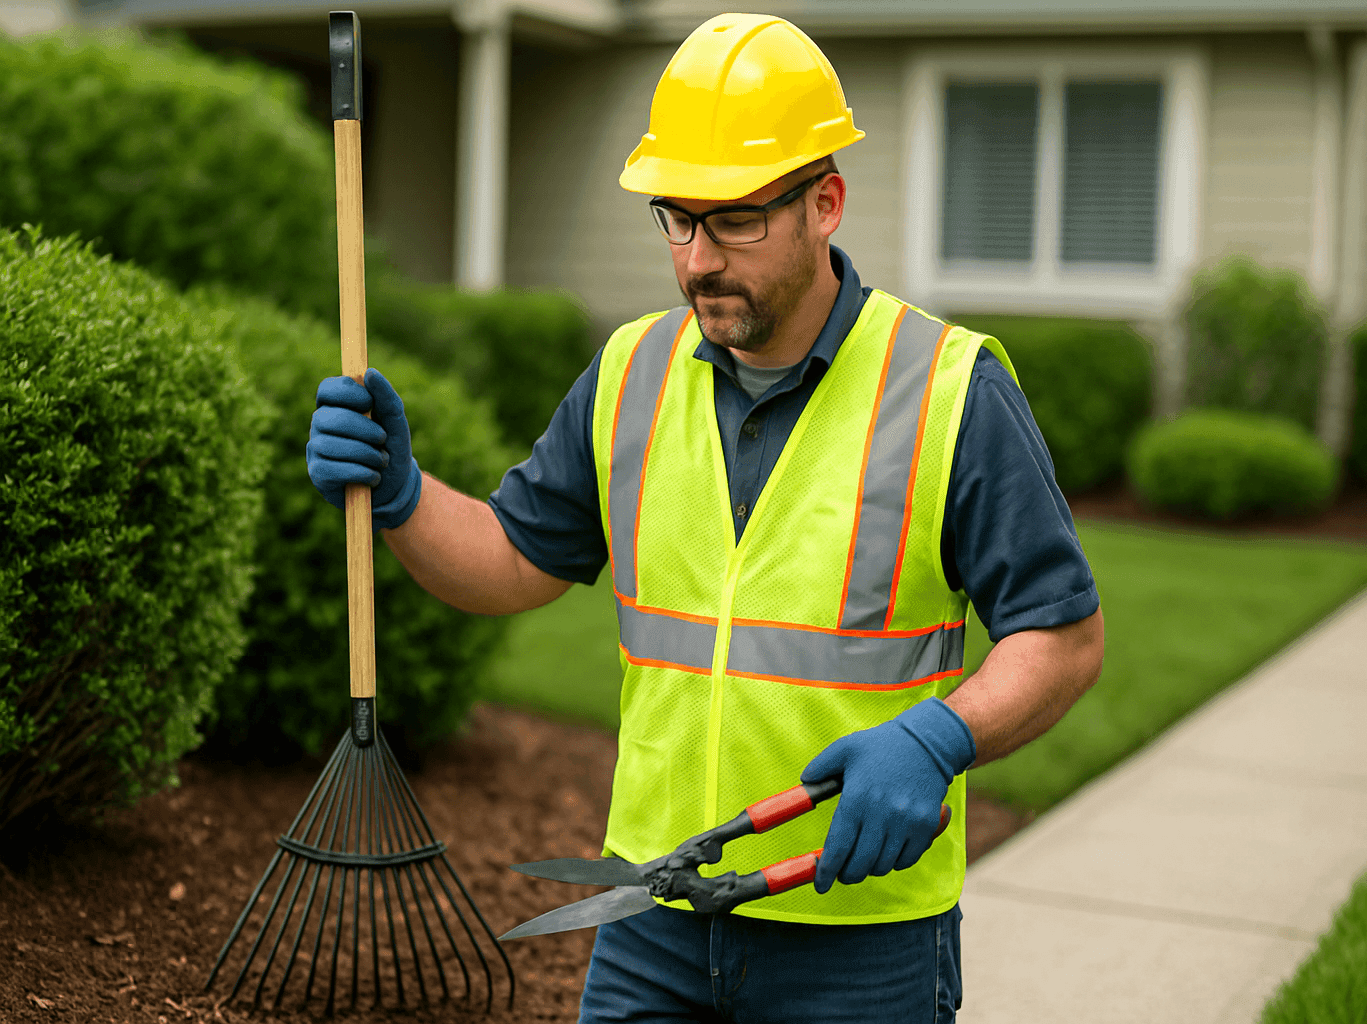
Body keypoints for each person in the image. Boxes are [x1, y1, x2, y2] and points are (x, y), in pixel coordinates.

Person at [307, 12, 1103, 1022]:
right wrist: (403, 495)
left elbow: (1064, 637)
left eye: (733, 221)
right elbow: (510, 560)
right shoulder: (632, 372)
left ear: (827, 203)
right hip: (653, 919)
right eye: (676, 220)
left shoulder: (948, 387)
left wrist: (942, 737)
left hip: (860, 936)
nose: (696, 260)